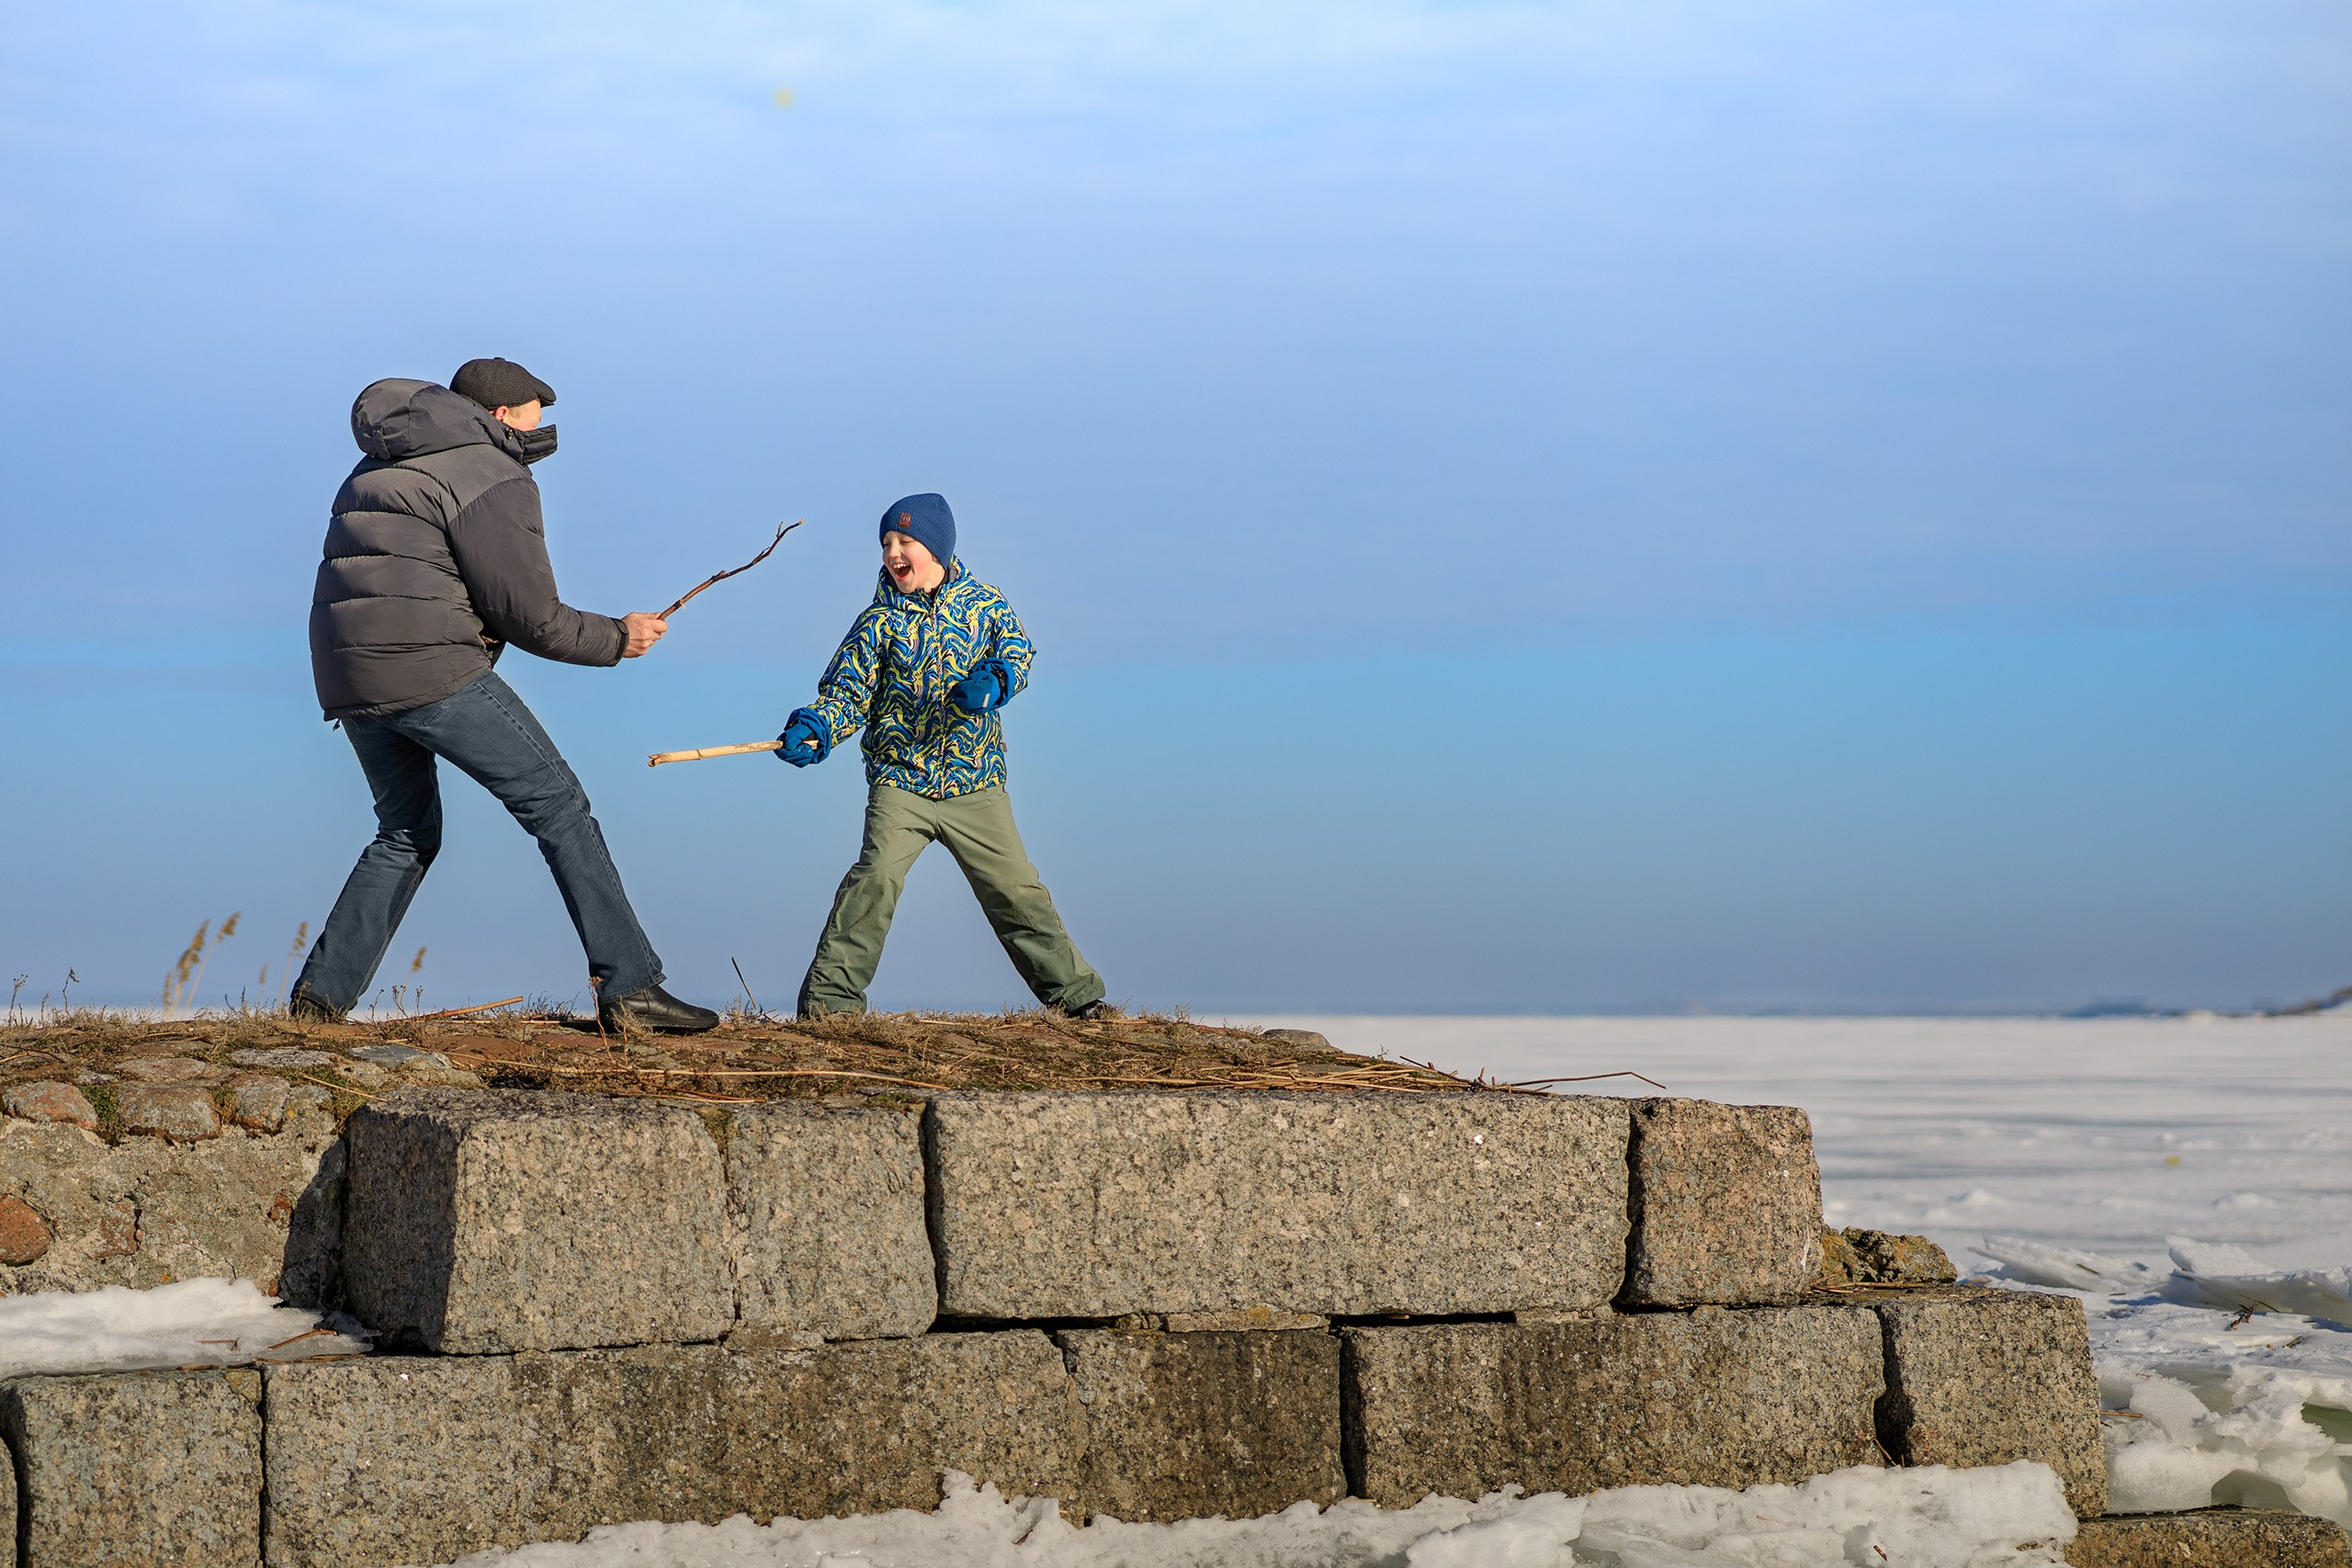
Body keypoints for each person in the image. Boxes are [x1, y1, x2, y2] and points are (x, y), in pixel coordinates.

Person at [290, 358, 718, 1033]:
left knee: (406, 833)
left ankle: (318, 1001)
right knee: (559, 804)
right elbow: (531, 615)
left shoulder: (376, 463)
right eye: (531, 410)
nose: (541, 421)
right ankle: (630, 987)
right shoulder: (490, 470)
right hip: (429, 669)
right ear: (499, 416)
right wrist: (618, 637)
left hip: (349, 674)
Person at [775, 492, 1109, 1019]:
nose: (893, 552)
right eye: (886, 543)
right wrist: (818, 728)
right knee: (876, 877)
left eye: (905, 541)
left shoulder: (985, 605)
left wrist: (995, 681)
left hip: (975, 783)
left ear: (937, 548)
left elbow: (1018, 652)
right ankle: (830, 1006)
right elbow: (846, 694)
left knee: (1015, 889)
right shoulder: (877, 624)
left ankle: (1076, 998)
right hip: (901, 783)